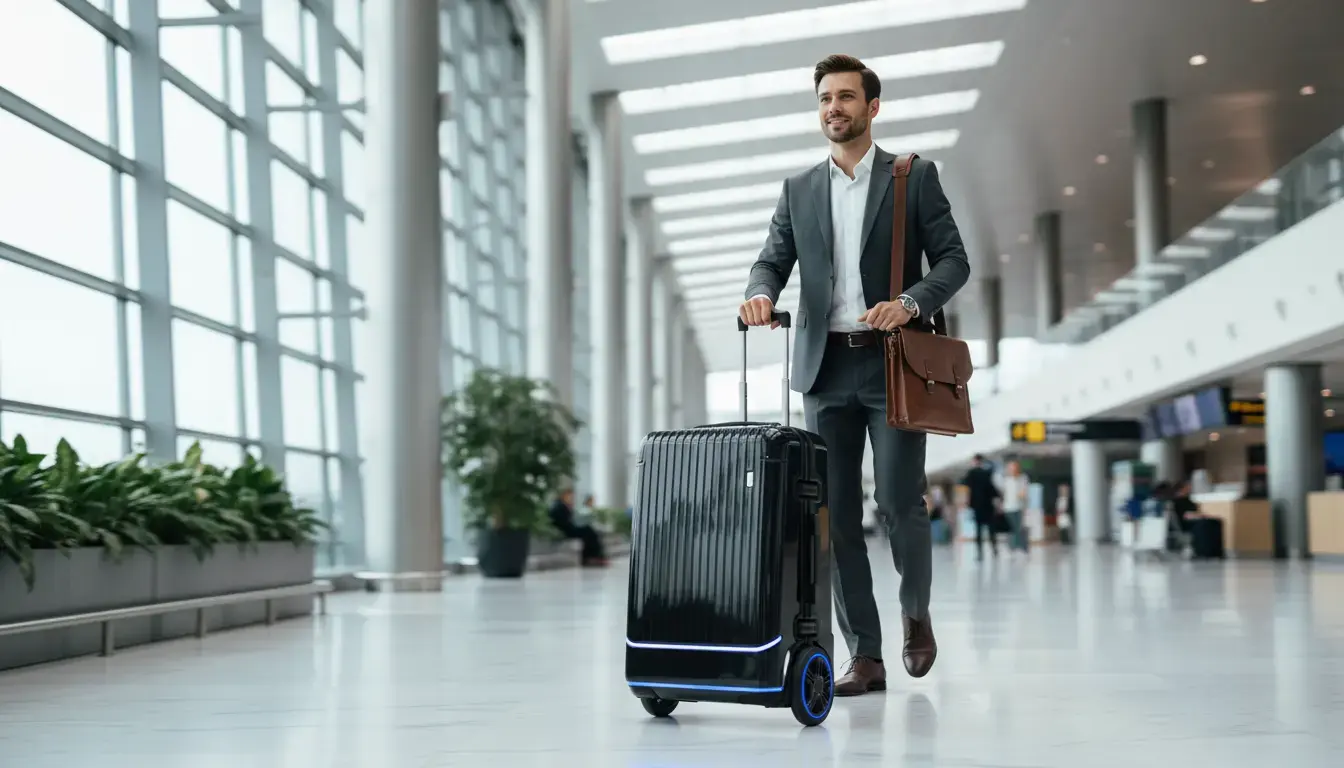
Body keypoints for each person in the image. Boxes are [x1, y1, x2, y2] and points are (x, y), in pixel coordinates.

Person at [739, 54, 971, 696]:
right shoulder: (799, 189)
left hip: (893, 364)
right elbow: (770, 261)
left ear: (872, 107)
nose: (832, 108)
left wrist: (912, 303)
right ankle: (864, 656)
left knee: (898, 502)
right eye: (823, 99)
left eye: (844, 97)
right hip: (823, 367)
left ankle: (916, 612)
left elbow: (954, 261)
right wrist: (759, 294)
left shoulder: (913, 178)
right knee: (833, 515)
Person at [547, 488, 610, 567]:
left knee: (589, 532)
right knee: (588, 531)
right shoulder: (558, 505)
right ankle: (592, 556)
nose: (571, 498)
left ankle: (591, 556)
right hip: (567, 530)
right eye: (569, 495)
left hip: (569, 528)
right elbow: (564, 521)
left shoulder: (561, 505)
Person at [960, 455, 1001, 560]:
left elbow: (964, 483)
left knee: (978, 530)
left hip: (977, 506)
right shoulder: (987, 473)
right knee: (991, 529)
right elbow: (992, 488)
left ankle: (979, 554)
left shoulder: (971, 473)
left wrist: (967, 502)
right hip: (988, 505)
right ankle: (994, 550)